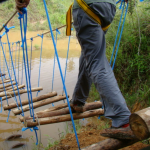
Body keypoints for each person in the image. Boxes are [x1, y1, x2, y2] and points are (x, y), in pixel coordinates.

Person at [70, 0, 131, 129]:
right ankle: (78, 101)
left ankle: (122, 117)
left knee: (96, 62)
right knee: (90, 54)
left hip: (87, 6)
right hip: (108, 8)